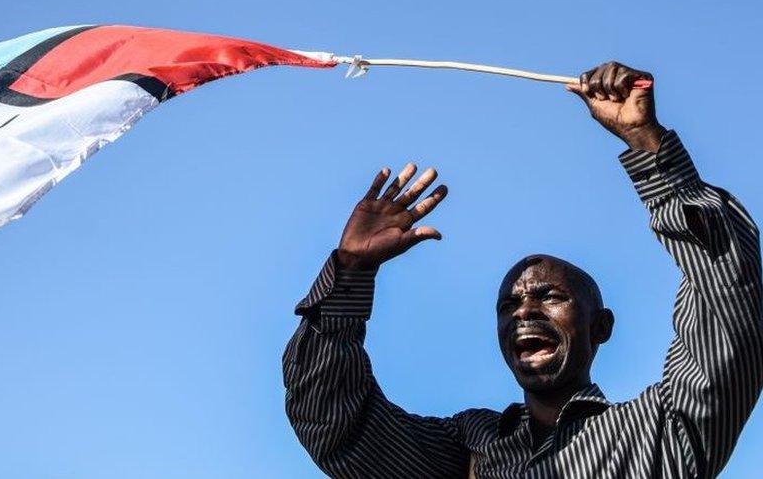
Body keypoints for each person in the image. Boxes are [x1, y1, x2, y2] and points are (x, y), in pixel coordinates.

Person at [282, 62, 762, 478]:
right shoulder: (468, 449)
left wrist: (646, 142)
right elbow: (335, 425)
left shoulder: (661, 435)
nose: (524, 312)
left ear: (601, 326)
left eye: (550, 297)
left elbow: (730, 309)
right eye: (508, 304)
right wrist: (350, 272)